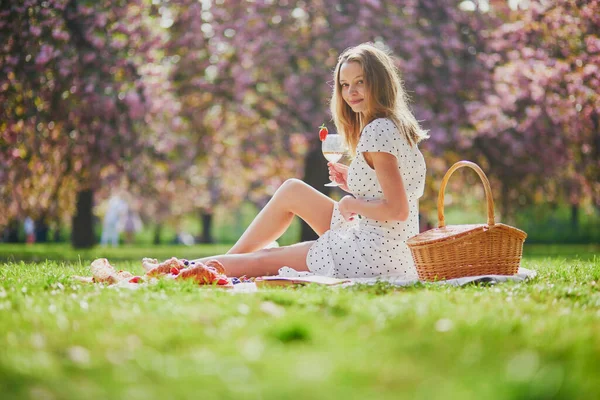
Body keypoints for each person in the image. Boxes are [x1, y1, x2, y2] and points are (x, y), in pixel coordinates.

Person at [190, 43, 428, 279]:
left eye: (360, 82)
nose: (350, 92)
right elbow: (391, 191)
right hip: (391, 250)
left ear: (380, 82)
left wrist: (350, 204)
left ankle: (181, 268)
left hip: (374, 254)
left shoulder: (377, 131)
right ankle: (219, 264)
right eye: (345, 85)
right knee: (292, 190)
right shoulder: (396, 126)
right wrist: (352, 182)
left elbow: (397, 210)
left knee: (264, 260)